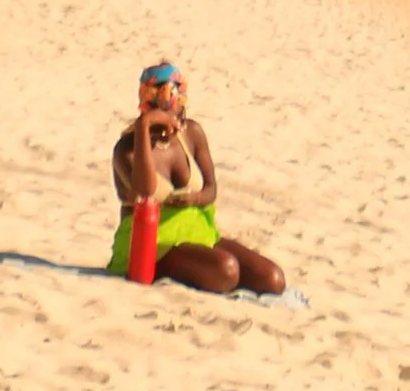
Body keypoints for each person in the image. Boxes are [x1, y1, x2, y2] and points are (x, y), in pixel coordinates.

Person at [108, 64, 285, 297]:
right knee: (226, 270)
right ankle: (171, 271)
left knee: (273, 279)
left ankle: (198, 266)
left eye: (175, 115)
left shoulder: (192, 133)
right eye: (161, 118)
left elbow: (211, 190)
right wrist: (143, 129)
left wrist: (196, 198)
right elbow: (146, 191)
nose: (172, 124)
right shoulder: (127, 150)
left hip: (199, 232)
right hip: (153, 245)